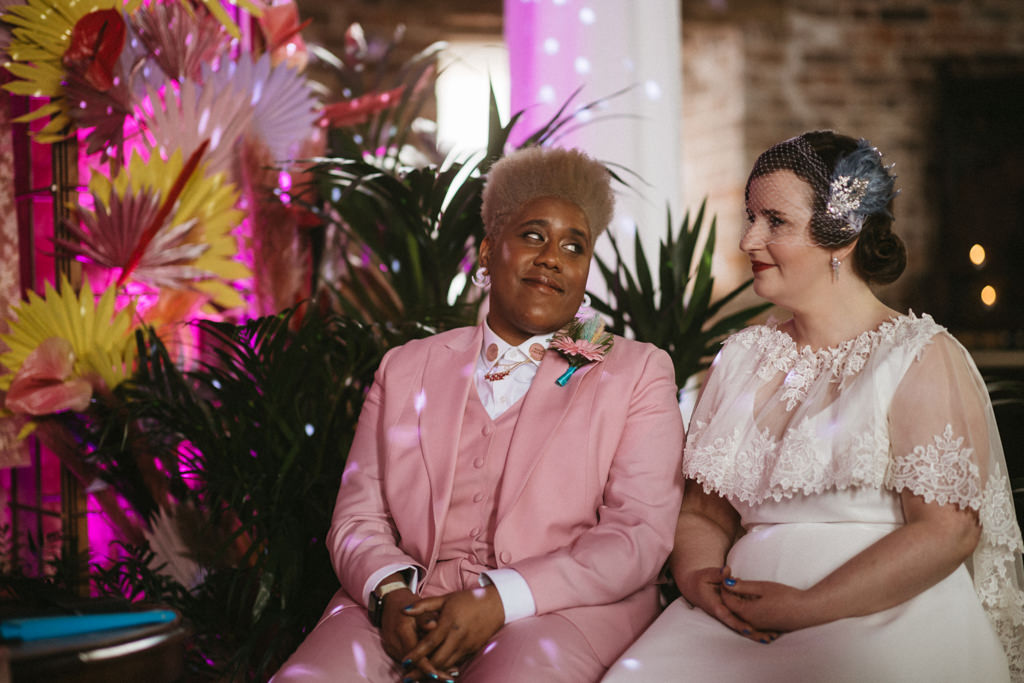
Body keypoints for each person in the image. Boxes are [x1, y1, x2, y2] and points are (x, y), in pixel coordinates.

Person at [602, 131, 1024, 682]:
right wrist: (701, 577)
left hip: (885, 617)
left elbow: (948, 532)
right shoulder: (741, 357)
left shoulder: (919, 355)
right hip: (731, 620)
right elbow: (705, 512)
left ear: (842, 236)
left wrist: (806, 605)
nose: (748, 240)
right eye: (751, 217)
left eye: (774, 221)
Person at [272, 146, 685, 682]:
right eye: (533, 235)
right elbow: (357, 517)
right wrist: (389, 595)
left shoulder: (635, 370)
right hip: (409, 604)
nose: (552, 257)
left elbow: (638, 534)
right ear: (489, 253)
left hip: (562, 611)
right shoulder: (406, 369)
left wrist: (500, 599)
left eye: (574, 245)